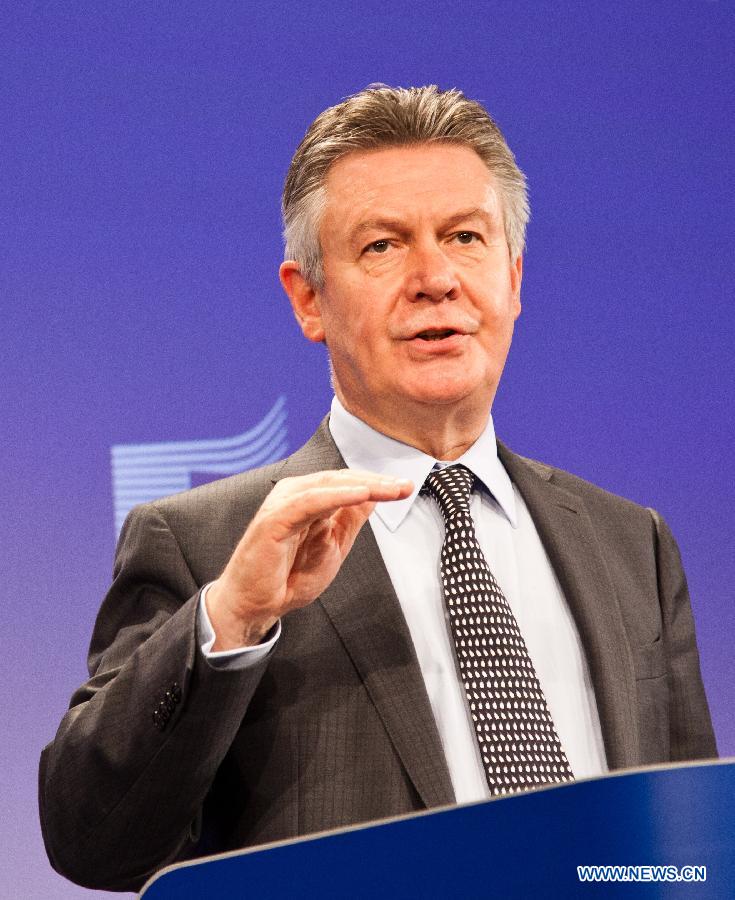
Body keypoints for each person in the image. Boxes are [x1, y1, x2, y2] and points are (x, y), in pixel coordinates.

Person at [39, 85, 717, 892]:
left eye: (465, 237)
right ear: (307, 298)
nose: (435, 278)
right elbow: (92, 842)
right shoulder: (206, 544)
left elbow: (688, 845)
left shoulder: (627, 542)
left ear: (513, 277)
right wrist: (233, 619)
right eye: (382, 246)